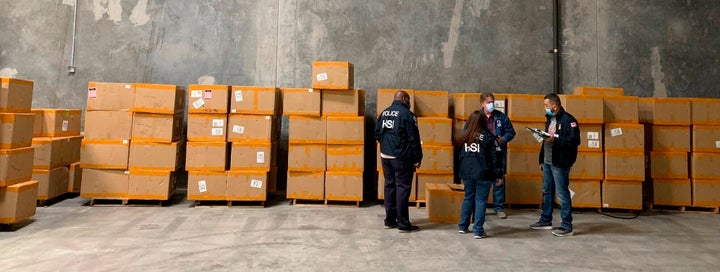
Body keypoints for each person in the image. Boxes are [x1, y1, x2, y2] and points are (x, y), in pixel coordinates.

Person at [530, 93, 580, 237]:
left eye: (546, 106)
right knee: (547, 191)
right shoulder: (550, 119)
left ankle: (566, 225)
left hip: (560, 163)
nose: (545, 108)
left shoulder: (569, 120)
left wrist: (555, 140)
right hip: (547, 161)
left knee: (562, 194)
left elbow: (574, 141)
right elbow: (547, 139)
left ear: (555, 106)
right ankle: (546, 220)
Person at [375, 90, 423, 233]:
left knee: (390, 186)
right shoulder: (407, 115)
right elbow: (413, 138)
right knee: (402, 188)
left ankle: (389, 220)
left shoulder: (384, 113)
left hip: (385, 156)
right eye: (408, 100)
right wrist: (417, 157)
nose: (409, 103)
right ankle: (403, 223)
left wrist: (386, 145)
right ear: (404, 99)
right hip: (401, 157)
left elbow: (377, 133)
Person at [457, 110, 504, 239]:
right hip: (483, 172)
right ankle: (478, 230)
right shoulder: (488, 136)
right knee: (480, 200)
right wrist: (499, 174)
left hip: (466, 172)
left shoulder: (465, 136)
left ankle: (462, 226)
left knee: (468, 198)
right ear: (483, 121)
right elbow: (495, 158)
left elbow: (460, 156)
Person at [477, 92, 515, 219]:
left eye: (492, 101)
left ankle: (499, 207)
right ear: (483, 104)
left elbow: (511, 132)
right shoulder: (477, 117)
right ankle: (479, 206)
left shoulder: (501, 117)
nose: (491, 104)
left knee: (498, 179)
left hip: (497, 152)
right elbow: (469, 131)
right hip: (482, 153)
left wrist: (502, 139)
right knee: (481, 179)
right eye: (488, 102)